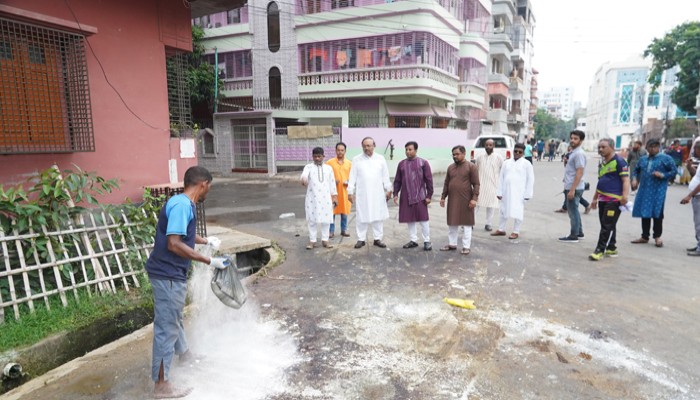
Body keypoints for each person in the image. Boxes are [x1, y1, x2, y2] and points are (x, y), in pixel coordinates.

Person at [145, 166, 224, 399]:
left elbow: (183, 234)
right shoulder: (182, 205)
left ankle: (185, 355)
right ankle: (161, 385)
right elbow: (174, 243)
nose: (209, 190)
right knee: (166, 327)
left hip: (167, 273)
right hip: (168, 274)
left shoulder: (181, 202)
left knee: (174, 317)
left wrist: (205, 240)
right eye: (209, 186)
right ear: (203, 184)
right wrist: (209, 260)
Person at [588, 138, 630, 261]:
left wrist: (625, 196)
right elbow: (600, 182)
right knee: (607, 223)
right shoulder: (603, 163)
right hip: (603, 198)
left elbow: (625, 180)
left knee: (606, 225)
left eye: (603, 147)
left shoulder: (620, 162)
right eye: (599, 147)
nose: (600, 149)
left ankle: (600, 250)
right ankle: (611, 247)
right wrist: (595, 198)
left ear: (611, 147)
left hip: (614, 199)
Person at [630, 139, 677, 247]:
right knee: (645, 212)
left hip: (658, 190)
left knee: (657, 212)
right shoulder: (643, 159)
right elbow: (636, 170)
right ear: (646, 148)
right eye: (650, 147)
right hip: (644, 189)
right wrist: (634, 179)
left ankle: (657, 236)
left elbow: (674, 171)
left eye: (655, 146)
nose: (652, 149)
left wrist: (663, 175)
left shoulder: (666, 158)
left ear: (659, 147)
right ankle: (645, 236)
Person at [348, 137, 392, 249]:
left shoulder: (380, 159)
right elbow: (352, 177)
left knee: (378, 216)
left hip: (377, 193)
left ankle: (377, 239)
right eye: (364, 146)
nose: (366, 148)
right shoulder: (356, 159)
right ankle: (361, 239)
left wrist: (389, 189)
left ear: (374, 146)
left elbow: (385, 176)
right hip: (363, 194)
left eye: (369, 145)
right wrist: (350, 191)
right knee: (361, 216)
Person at [393, 141, 434, 251]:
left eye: (410, 149)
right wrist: (395, 193)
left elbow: (429, 180)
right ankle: (413, 240)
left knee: (423, 219)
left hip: (420, 196)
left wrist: (429, 195)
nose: (407, 151)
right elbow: (397, 180)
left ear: (416, 150)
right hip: (406, 196)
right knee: (409, 218)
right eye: (406, 149)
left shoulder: (423, 163)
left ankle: (427, 241)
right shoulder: (401, 164)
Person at [439, 145, 480, 255]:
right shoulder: (450, 167)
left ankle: (466, 246)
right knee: (452, 222)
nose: (454, 156)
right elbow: (446, 183)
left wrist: (474, 199)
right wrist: (443, 197)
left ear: (464, 154)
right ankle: (452, 244)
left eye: (457, 154)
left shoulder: (471, 167)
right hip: (453, 200)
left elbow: (476, 184)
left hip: (466, 200)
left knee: (467, 224)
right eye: (453, 154)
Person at [491, 143, 534, 239]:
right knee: (503, 210)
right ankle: (501, 229)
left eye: (520, 152)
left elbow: (530, 179)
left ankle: (516, 231)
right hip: (506, 191)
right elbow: (501, 177)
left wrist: (528, 194)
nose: (517, 153)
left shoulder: (527, 164)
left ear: (523, 153)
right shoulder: (506, 162)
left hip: (519, 192)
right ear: (513, 150)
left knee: (518, 211)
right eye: (515, 151)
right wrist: (499, 191)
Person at [301, 147, 338, 250]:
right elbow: (304, 175)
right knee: (312, 220)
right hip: (312, 198)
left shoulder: (328, 168)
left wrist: (334, 196)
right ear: (312, 156)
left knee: (326, 220)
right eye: (315, 156)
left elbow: (332, 183)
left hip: (326, 198)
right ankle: (312, 241)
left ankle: (325, 240)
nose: (317, 158)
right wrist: (303, 179)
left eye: (319, 156)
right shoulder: (308, 167)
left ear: (323, 156)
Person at [558, 130, 587, 242]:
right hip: (572, 185)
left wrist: (572, 190)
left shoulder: (579, 154)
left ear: (581, 140)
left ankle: (573, 235)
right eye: (572, 138)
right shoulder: (574, 152)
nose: (573, 140)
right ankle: (579, 232)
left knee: (572, 212)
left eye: (576, 139)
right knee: (574, 210)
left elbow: (579, 172)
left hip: (574, 187)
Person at [475, 138, 504, 231]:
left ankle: (488, 224)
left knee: (491, 206)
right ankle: (470, 223)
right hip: (480, 184)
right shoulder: (479, 157)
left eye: (490, 145)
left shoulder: (499, 157)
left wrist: (501, 185)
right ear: (484, 146)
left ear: (494, 146)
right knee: (475, 204)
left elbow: (503, 171)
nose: (488, 147)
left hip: (493, 185)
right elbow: (475, 170)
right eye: (486, 145)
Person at [554, 145, 591, 214]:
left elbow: (579, 171)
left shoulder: (578, 155)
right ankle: (565, 207)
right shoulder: (569, 155)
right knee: (568, 194)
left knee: (574, 195)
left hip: (575, 181)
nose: (570, 149)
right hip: (569, 179)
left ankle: (587, 205)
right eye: (569, 148)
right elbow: (567, 168)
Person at [326, 142, 352, 238]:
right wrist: (332, 181)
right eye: (338, 150)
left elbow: (353, 177)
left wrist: (348, 181)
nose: (340, 152)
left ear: (345, 151)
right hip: (333, 192)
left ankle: (344, 230)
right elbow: (325, 176)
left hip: (345, 191)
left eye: (342, 150)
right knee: (332, 212)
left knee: (344, 212)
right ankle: (331, 231)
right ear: (335, 150)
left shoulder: (349, 163)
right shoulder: (329, 163)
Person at [681, 141, 700, 256]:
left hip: (698, 196)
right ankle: (699, 244)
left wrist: (689, 195)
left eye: (697, 150)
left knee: (699, 223)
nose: (696, 152)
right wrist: (689, 166)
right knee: (697, 222)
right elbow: (696, 175)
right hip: (696, 197)